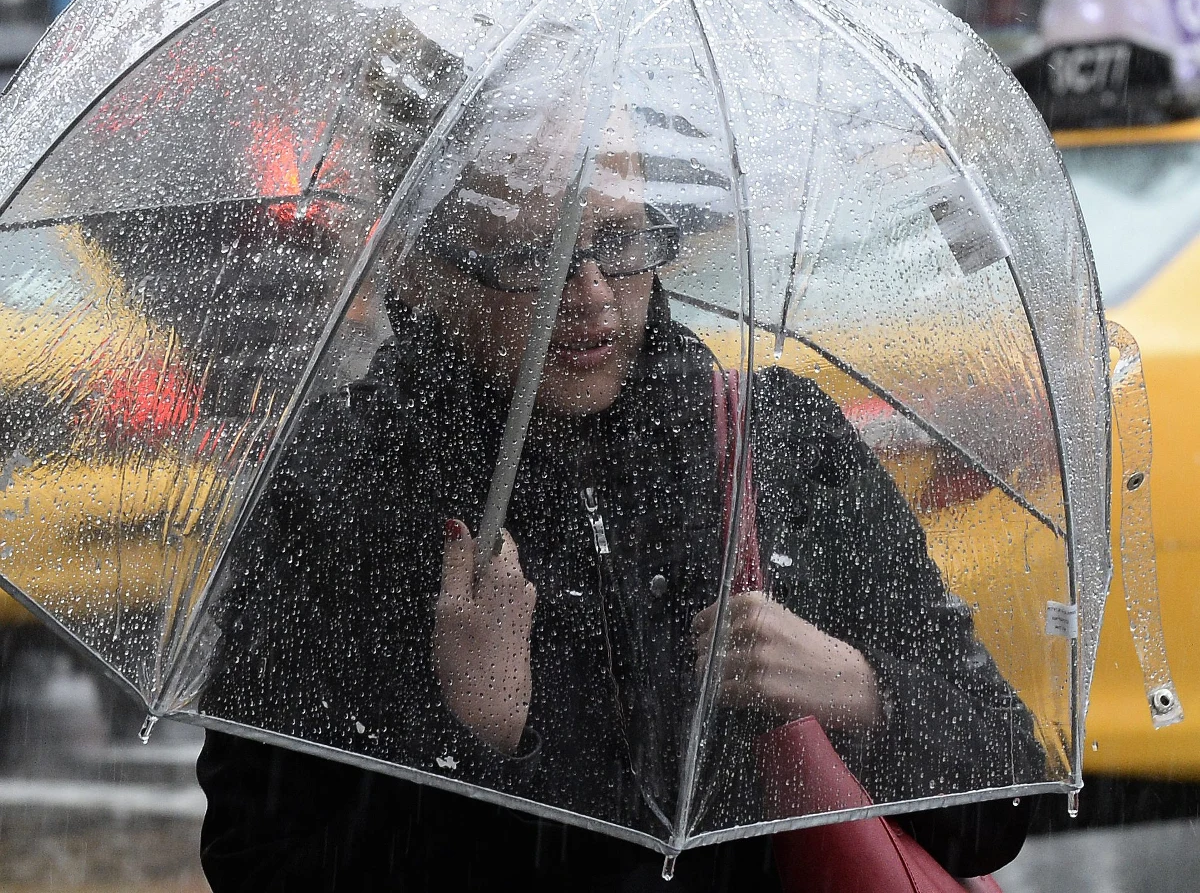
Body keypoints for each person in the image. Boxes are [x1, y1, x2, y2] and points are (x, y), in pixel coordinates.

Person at [196, 58, 1044, 892]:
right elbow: (257, 857)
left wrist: (862, 691)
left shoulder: (773, 442)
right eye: (536, 256)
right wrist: (480, 742)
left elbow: (1000, 801)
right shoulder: (341, 489)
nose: (594, 293)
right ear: (425, 266)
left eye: (622, 240)